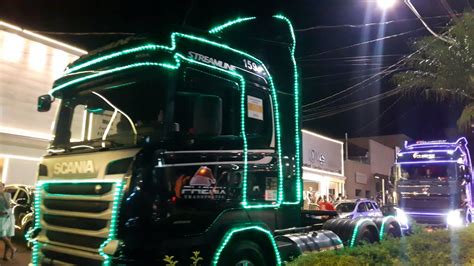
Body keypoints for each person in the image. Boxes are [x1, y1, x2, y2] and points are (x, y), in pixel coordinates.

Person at [0, 182, 16, 261]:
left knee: (8, 236)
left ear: (3, 187)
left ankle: (5, 256)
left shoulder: (7, 195)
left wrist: (3, 195)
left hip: (9, 216)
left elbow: (8, 206)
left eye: (0, 186)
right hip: (1, 218)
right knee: (2, 235)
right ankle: (13, 248)